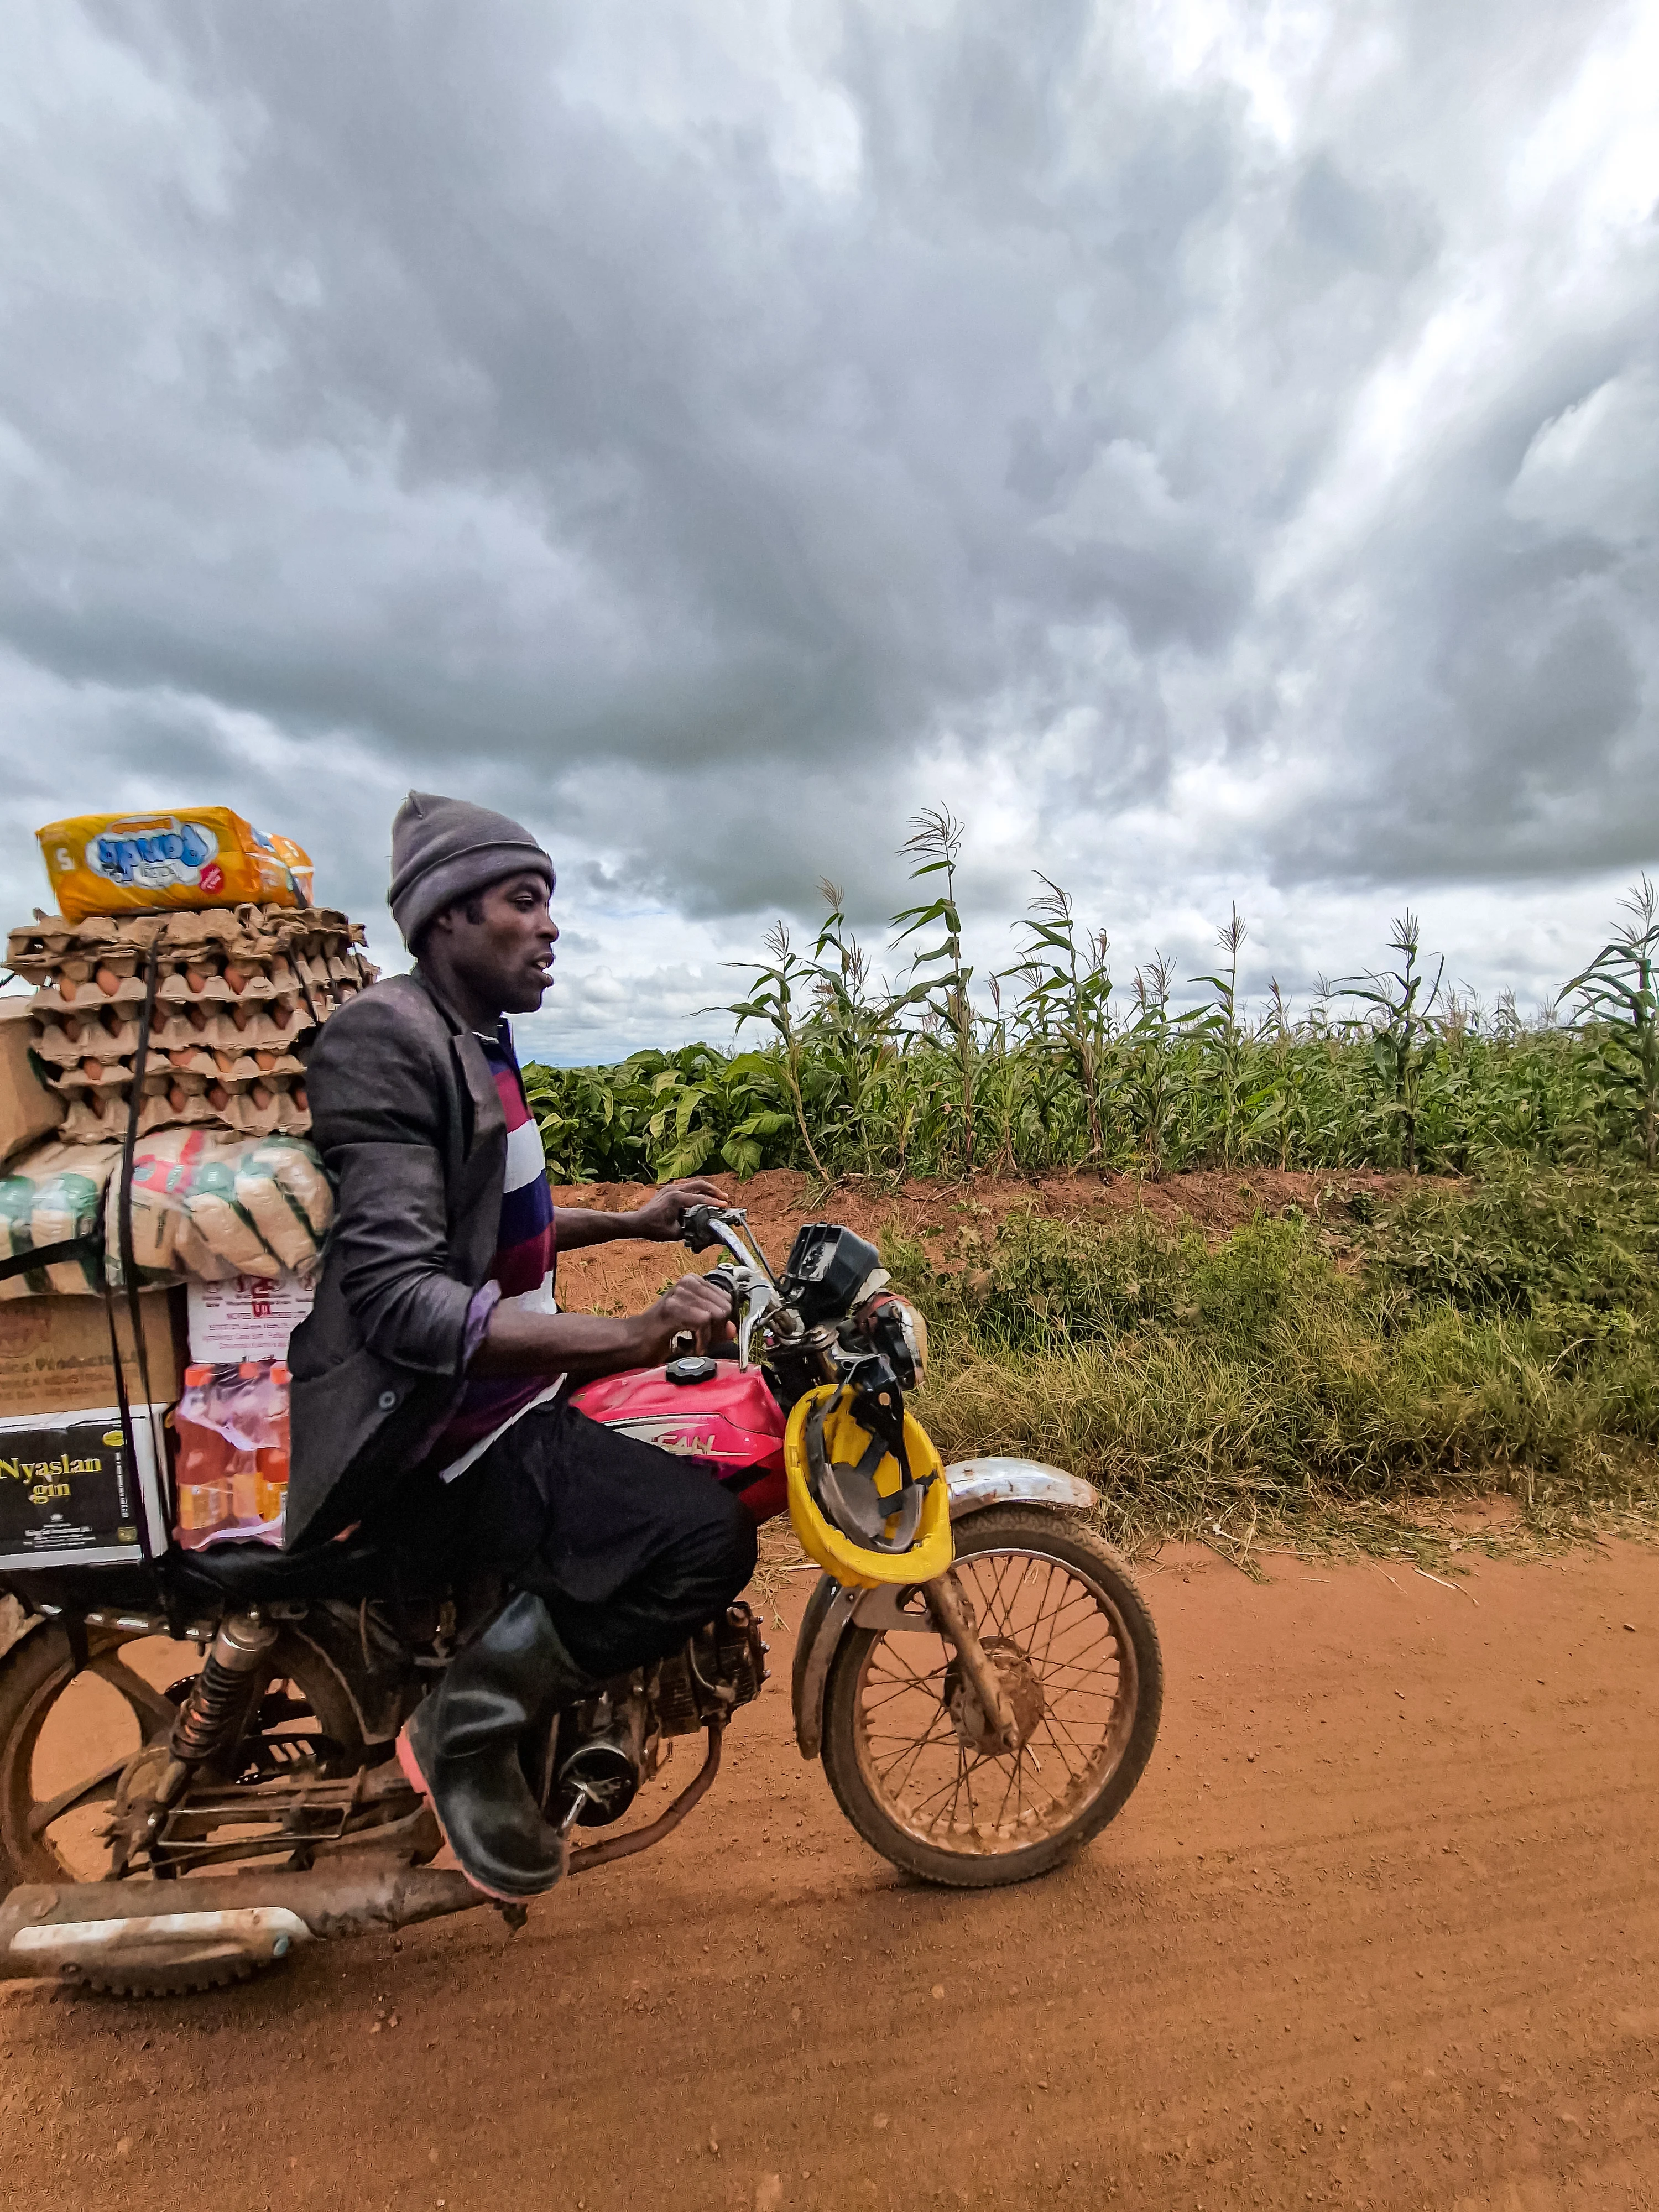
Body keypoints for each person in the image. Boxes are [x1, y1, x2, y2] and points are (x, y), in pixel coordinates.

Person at [286, 792, 757, 1901]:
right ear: (447, 915)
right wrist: (633, 1329)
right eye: (523, 898)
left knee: (656, 1442)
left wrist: (631, 1222)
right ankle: (465, 1728)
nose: (549, 927)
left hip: (490, 1402)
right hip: (432, 1437)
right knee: (703, 1539)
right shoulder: (387, 1041)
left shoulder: (476, 1037)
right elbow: (406, 1297)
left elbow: (499, 1220)